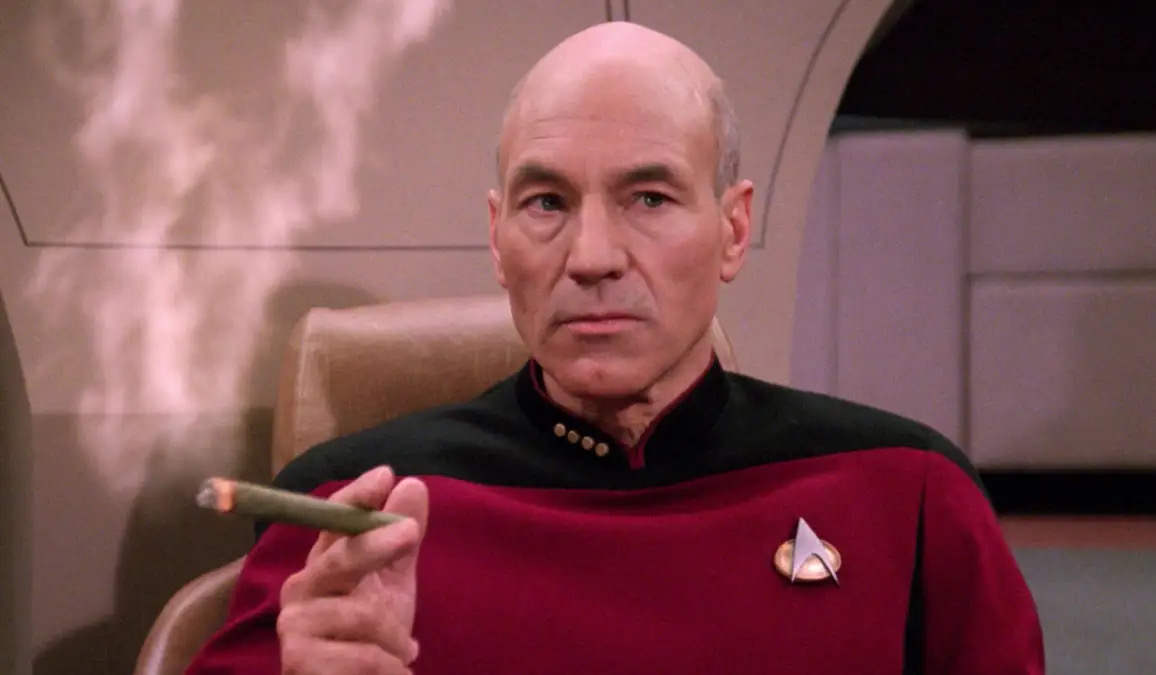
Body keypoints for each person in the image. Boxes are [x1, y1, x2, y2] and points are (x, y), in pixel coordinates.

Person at [186, 21, 1043, 675]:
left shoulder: (906, 490)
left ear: (734, 228)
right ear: (498, 239)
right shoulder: (346, 513)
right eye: (548, 203)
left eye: (649, 198)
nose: (592, 256)